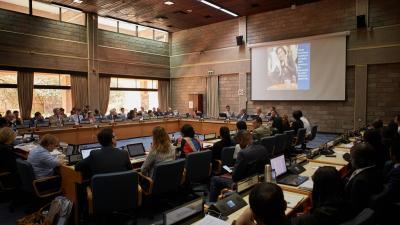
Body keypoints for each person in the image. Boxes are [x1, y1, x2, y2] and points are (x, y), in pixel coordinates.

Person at [209, 130, 267, 202]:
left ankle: (212, 206)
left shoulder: (243, 153)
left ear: (241, 140)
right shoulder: (262, 148)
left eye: (238, 142)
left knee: (214, 179)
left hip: (243, 184)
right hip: (257, 180)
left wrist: (233, 171)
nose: (238, 144)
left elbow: (235, 177)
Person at [345, 143, 383, 216]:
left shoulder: (359, 182)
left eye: (352, 157)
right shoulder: (376, 170)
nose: (350, 159)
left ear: (361, 161)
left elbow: (354, 206)